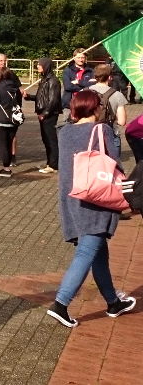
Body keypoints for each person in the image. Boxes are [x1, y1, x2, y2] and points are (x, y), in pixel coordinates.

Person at [46, 90, 136, 328]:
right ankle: (61, 304)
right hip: (96, 200)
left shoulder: (64, 132)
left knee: (98, 253)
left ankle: (113, 302)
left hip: (73, 198)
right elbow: (114, 162)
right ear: (95, 108)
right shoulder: (102, 130)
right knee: (87, 253)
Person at [25, 58, 62, 173]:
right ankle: (49, 163)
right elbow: (41, 97)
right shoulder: (44, 79)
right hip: (43, 113)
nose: (37, 67)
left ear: (45, 66)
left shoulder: (53, 81)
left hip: (49, 114)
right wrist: (29, 97)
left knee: (51, 139)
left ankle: (54, 165)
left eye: (39, 65)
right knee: (46, 139)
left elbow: (53, 100)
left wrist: (45, 114)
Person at [88, 64, 128, 159]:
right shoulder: (117, 95)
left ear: (95, 76)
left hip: (89, 134)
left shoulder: (84, 92)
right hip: (110, 134)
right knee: (112, 168)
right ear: (110, 77)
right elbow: (122, 122)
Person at [0, 68, 22, 177]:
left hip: (0, 119)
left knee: (3, 144)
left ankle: (6, 168)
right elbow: (19, 103)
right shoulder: (16, 89)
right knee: (9, 141)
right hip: (14, 119)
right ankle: (10, 162)